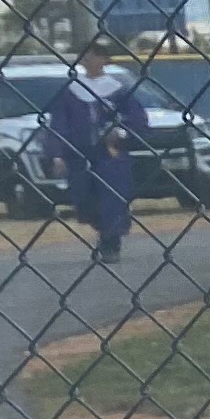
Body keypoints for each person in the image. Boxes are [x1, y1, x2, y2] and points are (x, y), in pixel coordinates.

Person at [42, 42, 151, 266]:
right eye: (85, 57)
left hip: (110, 155)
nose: (87, 60)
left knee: (112, 198)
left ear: (103, 59)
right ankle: (103, 231)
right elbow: (59, 124)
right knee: (85, 200)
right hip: (79, 155)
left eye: (92, 56)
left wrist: (120, 132)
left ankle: (111, 242)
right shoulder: (72, 91)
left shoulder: (118, 90)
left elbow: (138, 119)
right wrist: (57, 154)